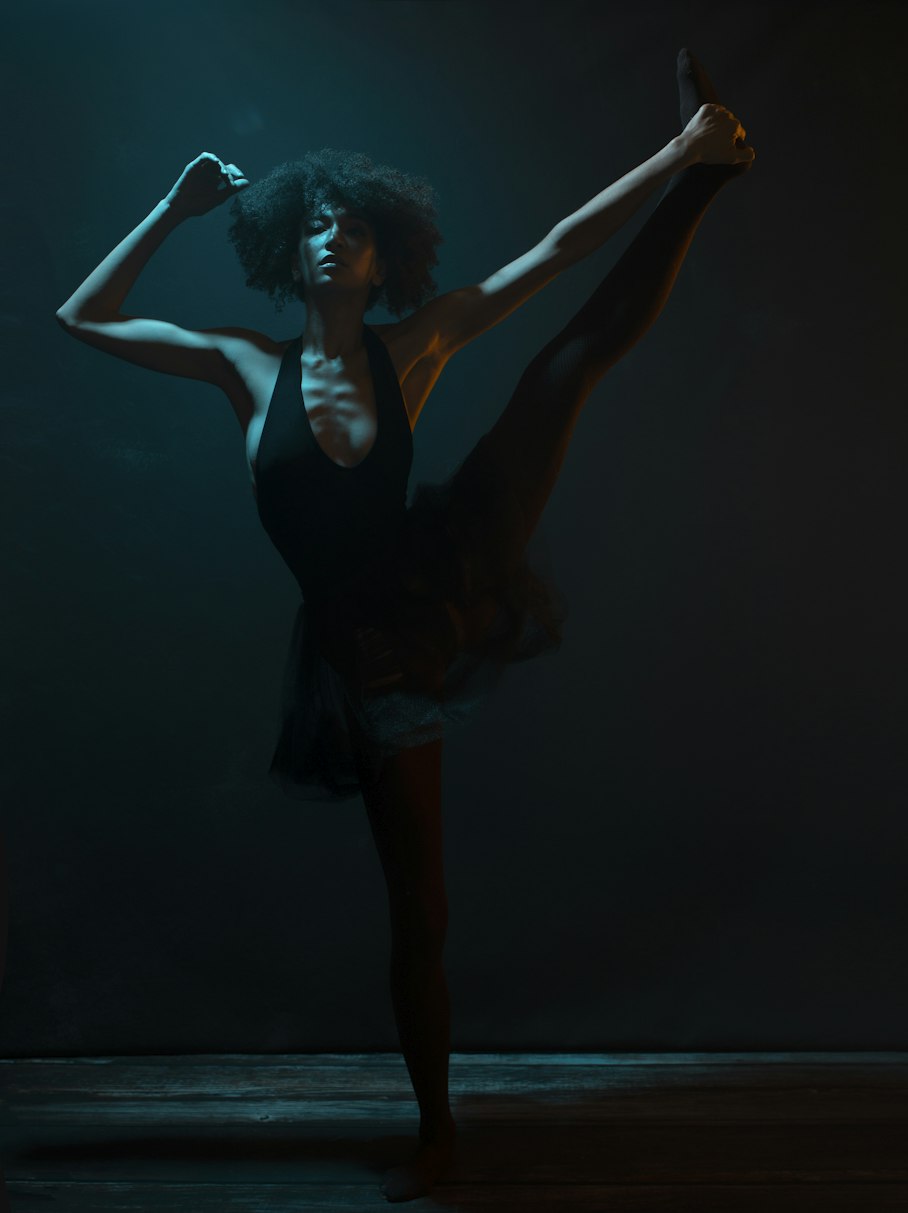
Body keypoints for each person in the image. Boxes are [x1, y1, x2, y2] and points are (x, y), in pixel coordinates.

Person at [55, 49, 754, 1203]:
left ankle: (709, 169)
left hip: (444, 572)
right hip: (356, 658)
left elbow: (558, 248)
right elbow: (82, 314)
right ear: (291, 249)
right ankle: (437, 1125)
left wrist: (673, 149)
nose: (333, 235)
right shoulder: (242, 365)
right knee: (416, 904)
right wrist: (174, 209)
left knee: (563, 366)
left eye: (354, 228)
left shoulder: (417, 341)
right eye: (316, 224)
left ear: (382, 256)